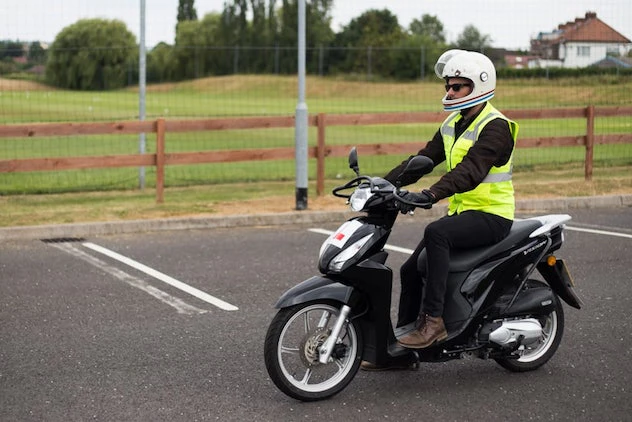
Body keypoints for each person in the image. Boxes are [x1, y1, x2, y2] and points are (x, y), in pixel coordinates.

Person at [361, 50, 519, 370]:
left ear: (478, 85)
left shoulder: (496, 127)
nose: (449, 92)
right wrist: (379, 186)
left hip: (493, 215)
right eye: (448, 86)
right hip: (464, 212)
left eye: (457, 87)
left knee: (436, 233)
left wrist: (431, 194)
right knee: (409, 270)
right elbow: (421, 160)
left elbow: (470, 171)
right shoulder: (453, 123)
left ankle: (433, 322)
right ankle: (400, 351)